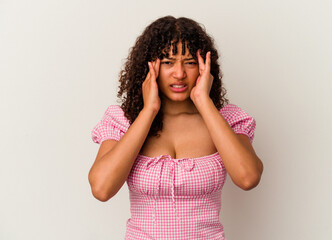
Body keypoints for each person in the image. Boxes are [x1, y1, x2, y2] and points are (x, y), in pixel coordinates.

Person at [88, 15, 264, 240]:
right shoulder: (123, 121)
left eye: (190, 62)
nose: (179, 74)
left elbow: (248, 178)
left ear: (204, 67)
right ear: (149, 66)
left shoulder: (226, 120)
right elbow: (102, 189)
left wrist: (204, 102)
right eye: (168, 62)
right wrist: (148, 111)